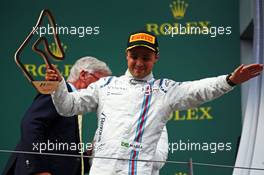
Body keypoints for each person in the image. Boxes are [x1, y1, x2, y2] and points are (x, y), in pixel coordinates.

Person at [46, 31, 263, 175]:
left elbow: (198, 90)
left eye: (146, 57)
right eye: (134, 56)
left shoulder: (164, 90)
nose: (139, 63)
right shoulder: (105, 86)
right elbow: (68, 107)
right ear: (126, 55)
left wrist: (230, 80)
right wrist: (58, 86)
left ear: (156, 58)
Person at [2, 56, 111, 175]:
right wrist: (39, 169)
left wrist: (89, 156)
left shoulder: (75, 105)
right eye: (101, 83)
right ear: (84, 75)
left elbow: (64, 158)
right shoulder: (57, 92)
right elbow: (31, 125)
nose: (102, 89)